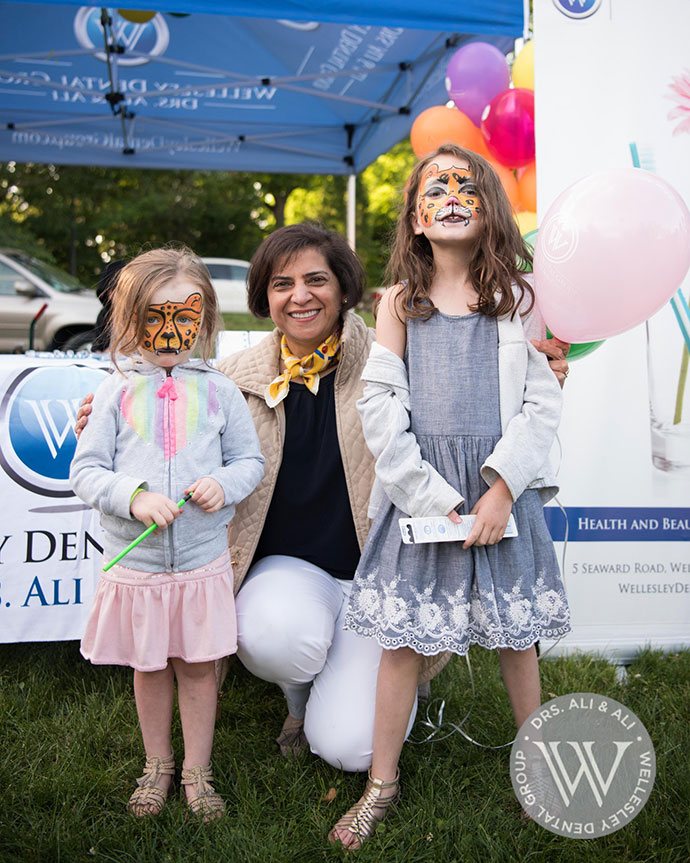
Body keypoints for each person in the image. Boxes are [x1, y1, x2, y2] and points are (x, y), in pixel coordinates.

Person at [75, 223, 569, 775]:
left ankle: (382, 676)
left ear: (344, 288)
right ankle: (297, 698)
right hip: (290, 575)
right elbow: (167, 422)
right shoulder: (229, 381)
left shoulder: (395, 360)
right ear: (264, 295)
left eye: (317, 279)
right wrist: (108, 423)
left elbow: (471, 398)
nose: (300, 296)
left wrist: (535, 376)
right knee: (269, 633)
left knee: (350, 750)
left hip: (377, 578)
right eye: (282, 283)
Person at [328, 145, 571, 850]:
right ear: (414, 216)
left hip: (500, 491)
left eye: (468, 186)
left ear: (491, 205)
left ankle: (540, 770)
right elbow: (381, 407)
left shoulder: (521, 299)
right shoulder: (399, 303)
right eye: (437, 188)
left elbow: (540, 404)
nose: (454, 196)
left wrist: (497, 491)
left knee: (516, 639)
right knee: (403, 642)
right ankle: (381, 781)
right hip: (424, 495)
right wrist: (433, 497)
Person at [70, 247, 264, 820]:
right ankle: (157, 764)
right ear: (130, 319)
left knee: (199, 668)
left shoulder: (221, 391)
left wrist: (221, 484)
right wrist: (133, 497)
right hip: (141, 567)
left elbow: (249, 462)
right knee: (150, 667)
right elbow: (86, 472)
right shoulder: (115, 392)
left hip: (202, 560)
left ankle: (197, 771)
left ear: (205, 318)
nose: (173, 329)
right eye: (156, 316)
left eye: (187, 315)